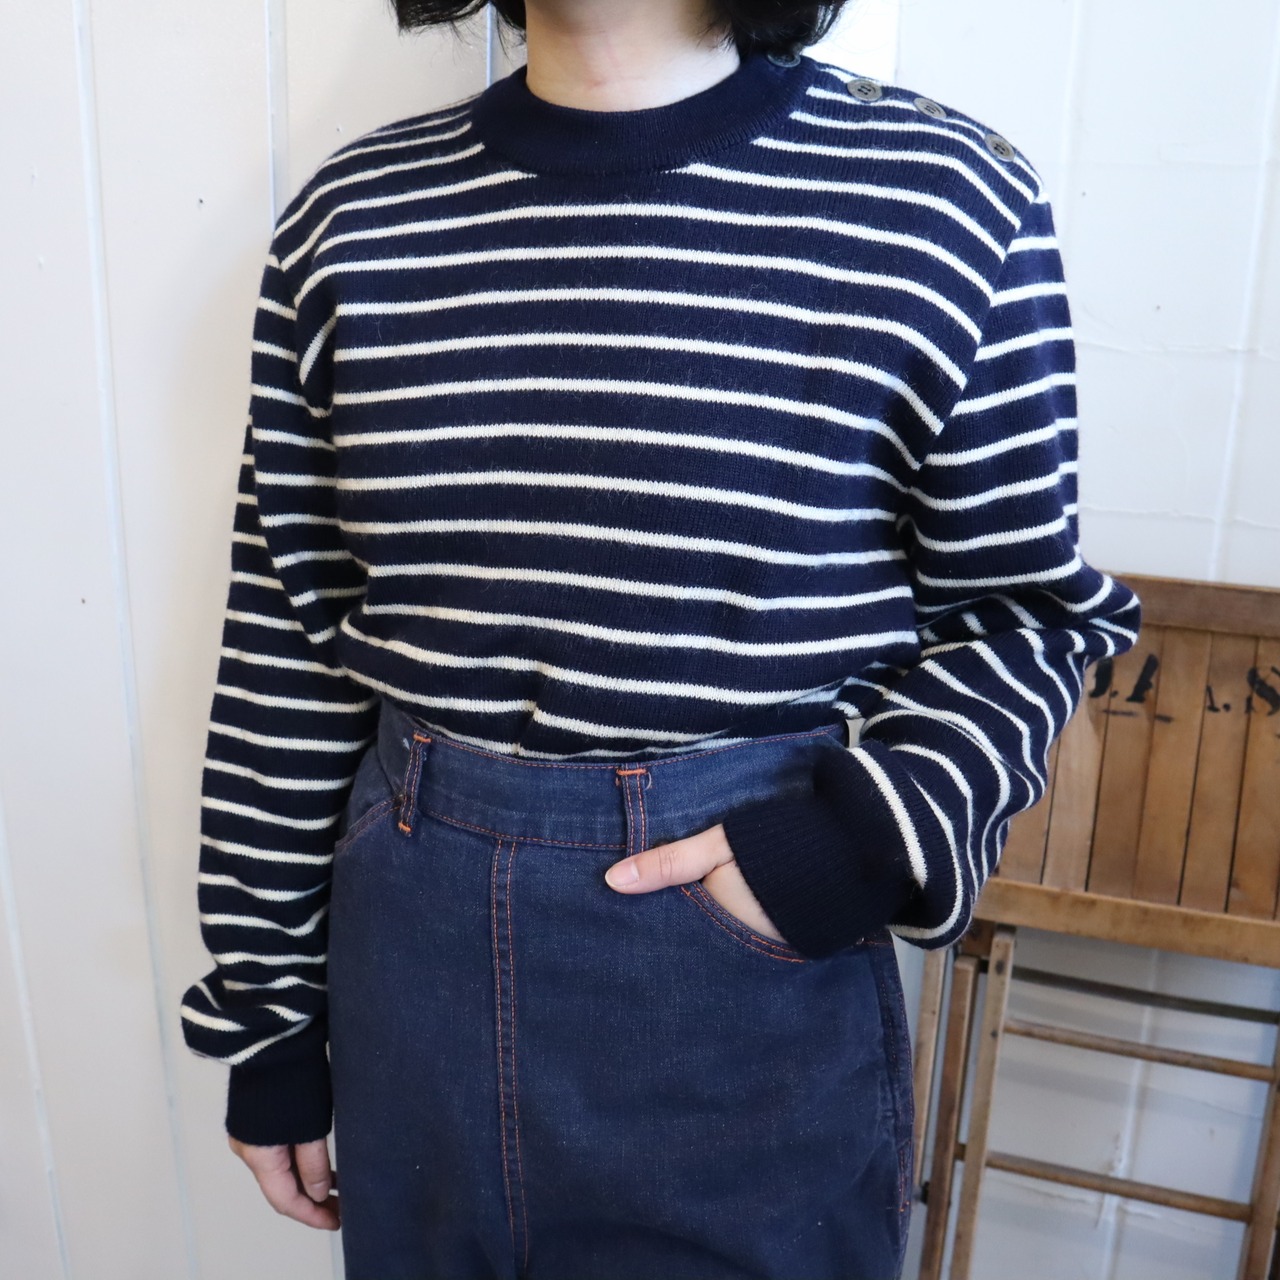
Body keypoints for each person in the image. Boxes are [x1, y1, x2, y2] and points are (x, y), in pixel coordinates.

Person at [179, 0, 1141, 1276]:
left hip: (739, 952)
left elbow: (1021, 613)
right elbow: (289, 651)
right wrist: (268, 1018)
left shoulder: (938, 198)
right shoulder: (354, 218)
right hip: (410, 944)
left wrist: (844, 846)